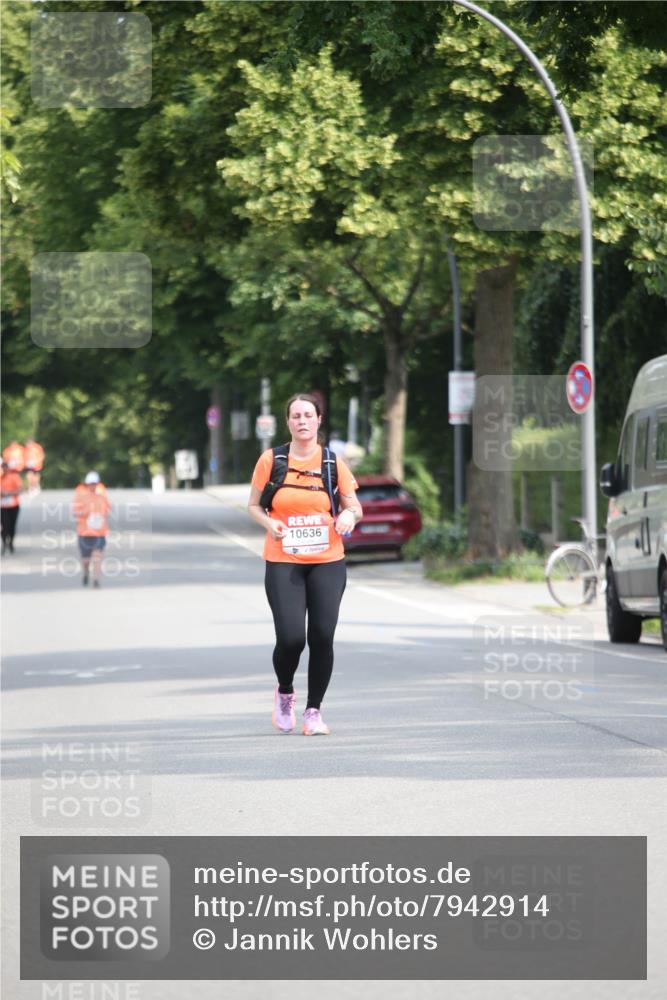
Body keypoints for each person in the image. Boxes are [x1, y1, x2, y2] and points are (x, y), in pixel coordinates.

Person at [248, 393, 363, 736]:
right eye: (295, 415)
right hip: (284, 559)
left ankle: (314, 711)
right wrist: (270, 524)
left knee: (323, 635)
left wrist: (347, 516)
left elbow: (354, 506)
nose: (302, 421)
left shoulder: (332, 462)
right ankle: (285, 692)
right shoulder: (272, 460)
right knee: (291, 638)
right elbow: (254, 505)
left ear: (318, 420)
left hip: (328, 559)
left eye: (308, 415)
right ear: (288, 422)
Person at [73, 471, 111, 588]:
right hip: (84, 532)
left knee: (97, 556)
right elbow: (75, 512)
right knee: (86, 560)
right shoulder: (81, 497)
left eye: (94, 483)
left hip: (99, 533)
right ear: (87, 484)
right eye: (90, 484)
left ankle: (96, 579)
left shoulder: (102, 497)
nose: (92, 486)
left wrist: (101, 516)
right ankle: (86, 572)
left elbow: (108, 510)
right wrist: (84, 513)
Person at [1, 459, 23, 554]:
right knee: (4, 526)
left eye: (6, 468)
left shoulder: (14, 477)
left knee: (12, 526)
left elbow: (19, 490)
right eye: (3, 468)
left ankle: (11, 543)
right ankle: (4, 542)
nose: (4, 470)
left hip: (14, 505)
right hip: (3, 506)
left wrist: (9, 493)